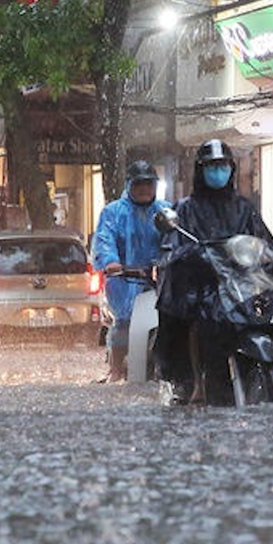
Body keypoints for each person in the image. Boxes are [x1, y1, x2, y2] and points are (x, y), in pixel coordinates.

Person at [156, 139, 273, 402]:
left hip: (245, 282)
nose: (218, 171)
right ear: (200, 170)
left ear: (231, 168)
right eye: (212, 166)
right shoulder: (186, 209)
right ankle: (197, 386)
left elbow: (262, 240)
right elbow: (171, 248)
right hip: (207, 284)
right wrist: (193, 255)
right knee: (195, 312)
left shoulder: (244, 207)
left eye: (223, 166)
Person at [91, 160, 170, 382]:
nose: (144, 189)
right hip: (125, 280)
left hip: (161, 280)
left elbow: (178, 239)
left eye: (148, 184)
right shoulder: (113, 212)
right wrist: (111, 262)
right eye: (138, 184)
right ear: (129, 185)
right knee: (124, 321)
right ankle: (116, 369)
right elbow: (104, 240)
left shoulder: (166, 211)